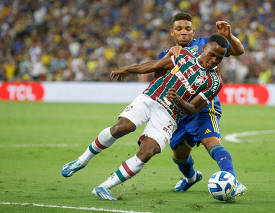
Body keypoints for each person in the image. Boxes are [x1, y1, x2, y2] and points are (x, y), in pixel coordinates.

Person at [62, 34, 228, 200]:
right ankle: (82, 161)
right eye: (212, 54)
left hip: (169, 115)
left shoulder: (214, 82)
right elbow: (156, 65)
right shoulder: (186, 54)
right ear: (204, 48)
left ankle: (104, 187)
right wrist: (128, 70)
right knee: (122, 127)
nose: (214, 60)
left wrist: (178, 100)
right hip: (151, 98)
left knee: (148, 152)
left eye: (219, 58)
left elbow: (192, 109)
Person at [135, 12, 247, 195]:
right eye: (179, 29)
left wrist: (229, 37)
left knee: (211, 142)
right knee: (179, 155)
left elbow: (238, 51)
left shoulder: (205, 44)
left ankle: (232, 180)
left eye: (188, 29)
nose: (184, 32)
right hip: (180, 111)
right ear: (172, 33)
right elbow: (160, 83)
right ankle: (191, 177)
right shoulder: (167, 55)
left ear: (193, 32)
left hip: (203, 106)